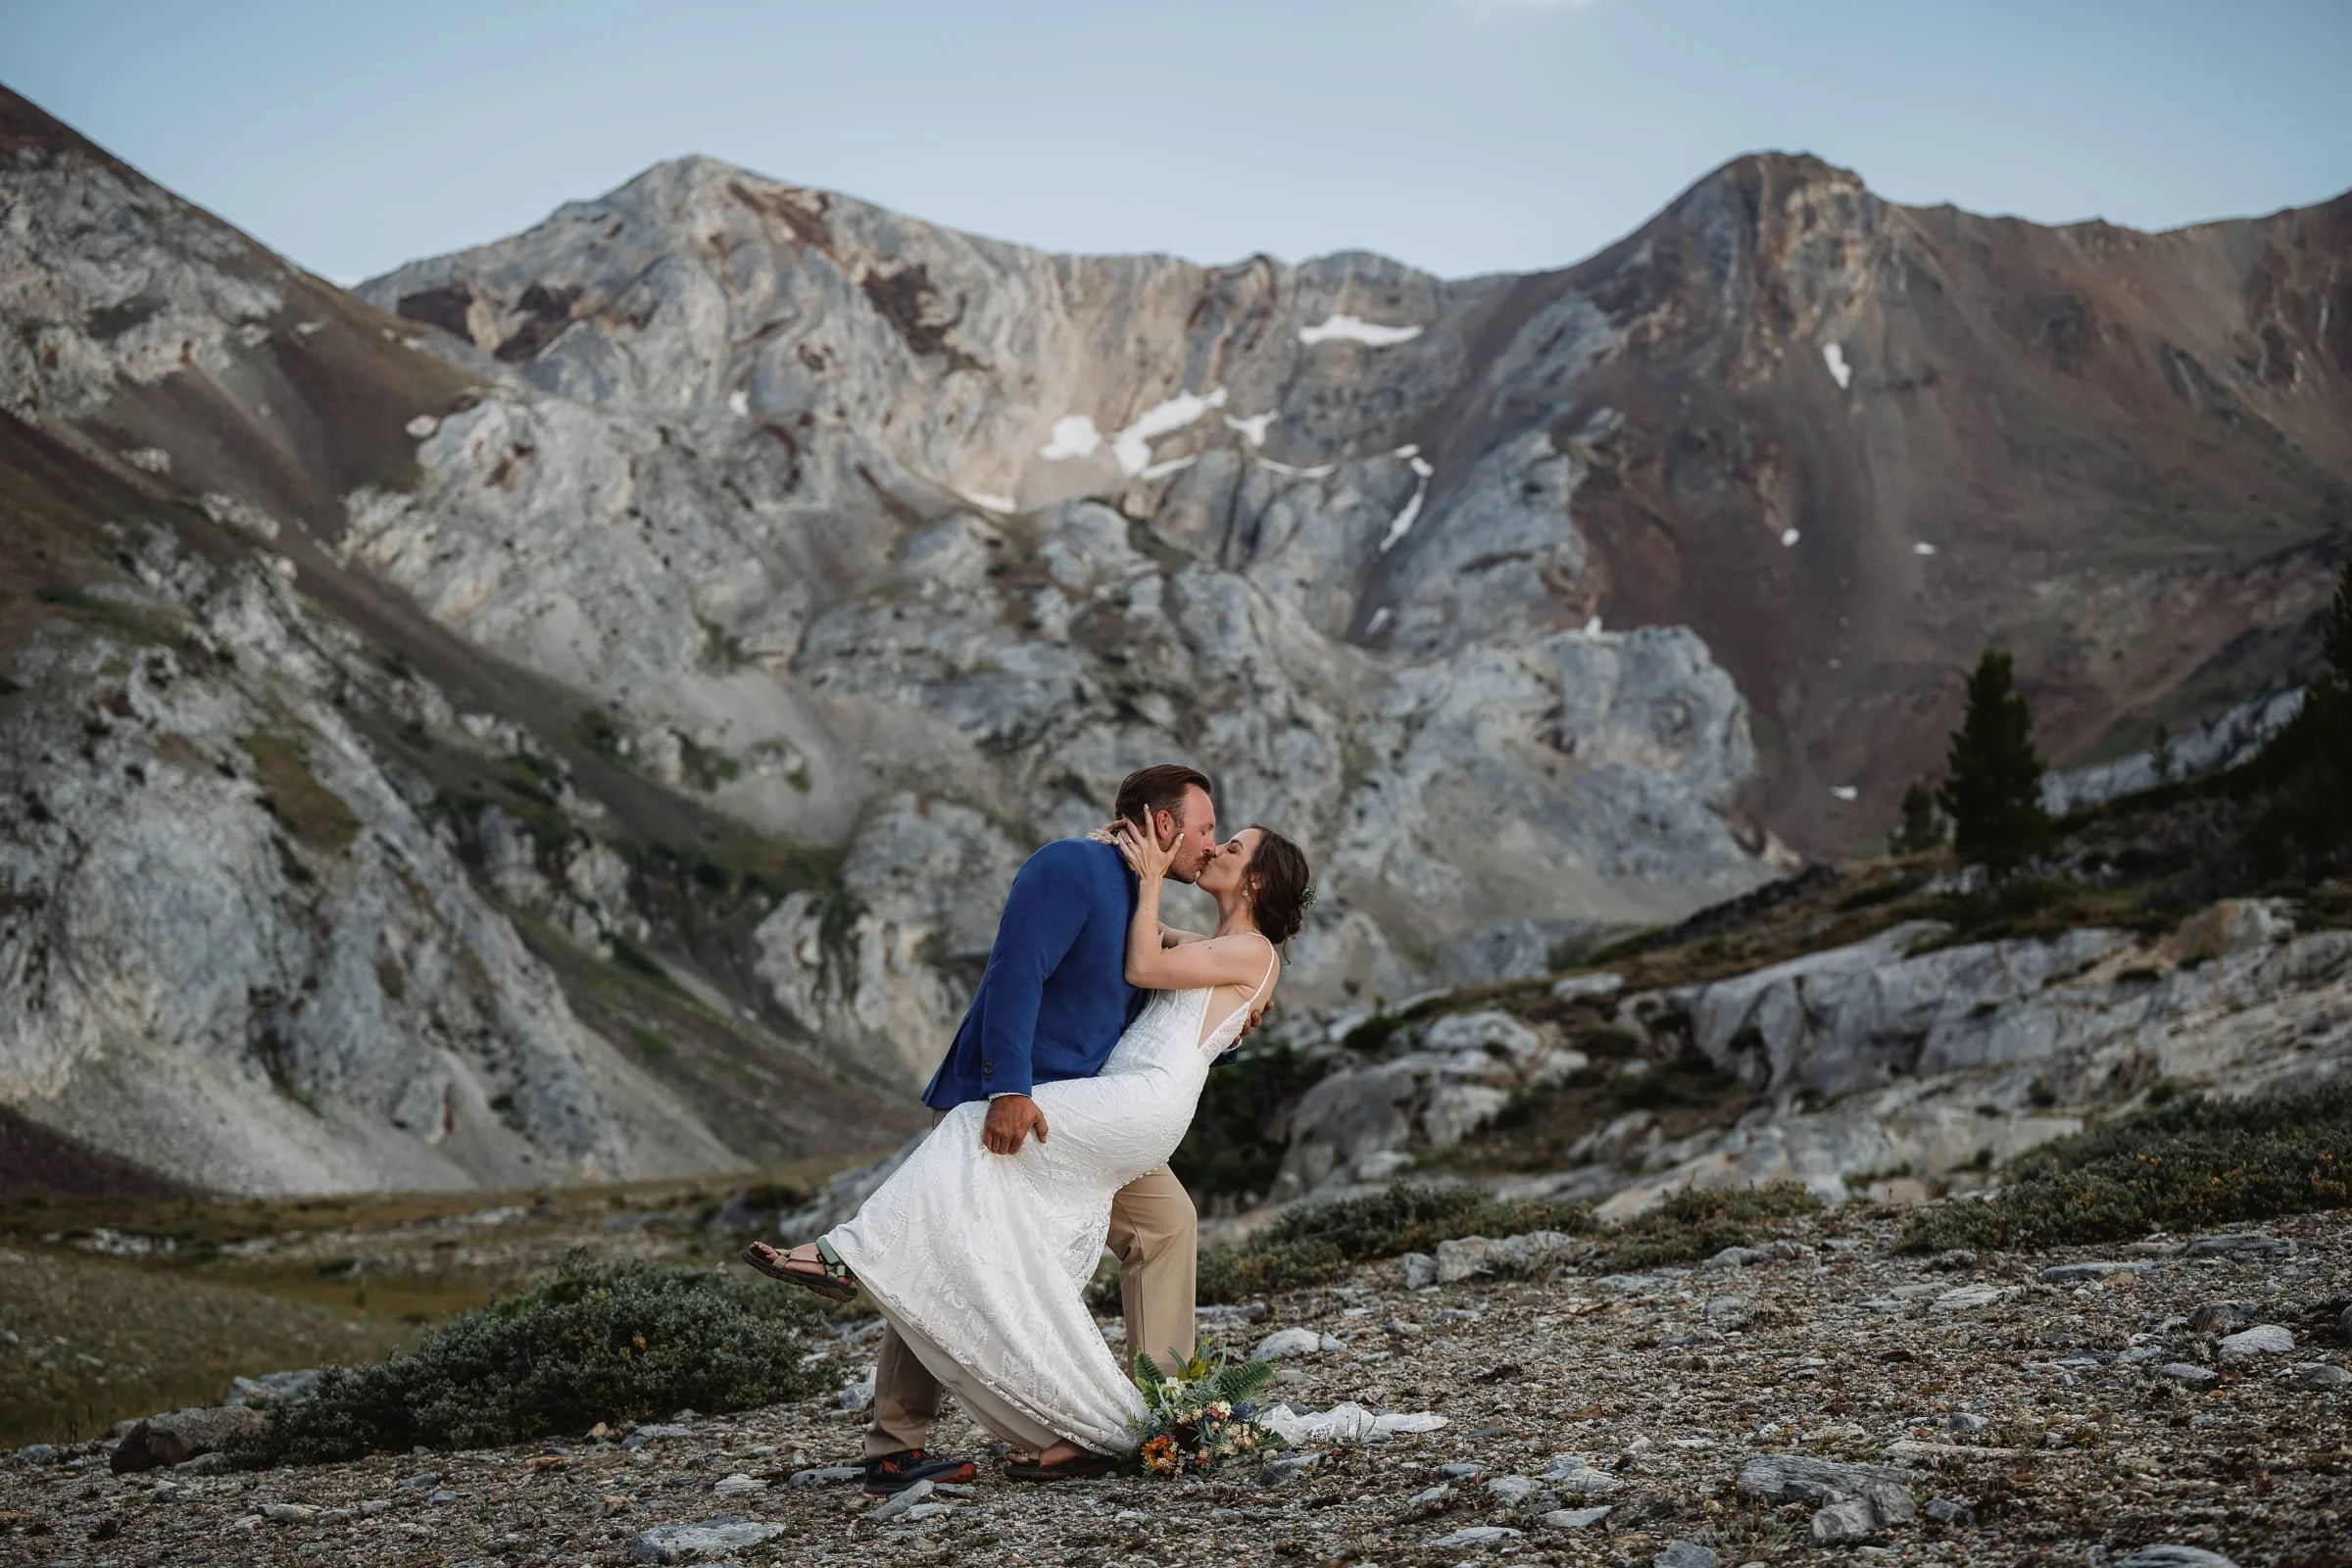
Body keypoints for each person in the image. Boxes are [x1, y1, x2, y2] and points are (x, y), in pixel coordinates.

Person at [745, 769, 1312, 1482]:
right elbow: (1015, 972)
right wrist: (1008, 1087)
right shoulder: (1071, 865)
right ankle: (904, 1438)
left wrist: (1231, 1030)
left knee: (1159, 1225)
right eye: (1206, 829)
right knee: (954, 1222)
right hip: (1044, 1096)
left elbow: (1176, 1003)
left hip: (1110, 1109)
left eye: (1227, 840)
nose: (1211, 843)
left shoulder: (1169, 908)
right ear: (1163, 827)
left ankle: (1169, 1414)